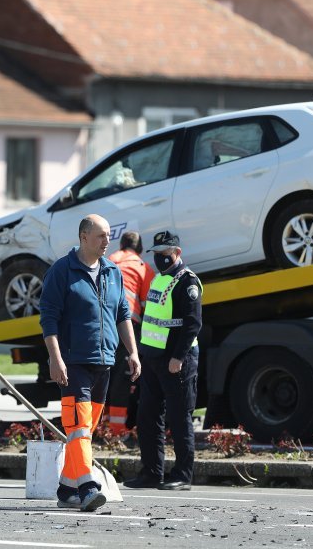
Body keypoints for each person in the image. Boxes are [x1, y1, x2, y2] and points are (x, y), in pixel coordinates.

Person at [40, 214, 141, 512]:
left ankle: (65, 488)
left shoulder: (113, 271)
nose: (107, 240)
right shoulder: (62, 271)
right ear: (84, 237)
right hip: (73, 364)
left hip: (104, 362)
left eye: (109, 235)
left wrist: (133, 352)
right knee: (79, 427)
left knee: (84, 430)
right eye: (100, 236)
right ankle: (87, 487)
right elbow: (48, 318)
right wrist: (55, 358)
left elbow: (123, 314)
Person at [123, 230, 203, 491]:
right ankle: (151, 473)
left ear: (177, 253)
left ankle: (182, 475)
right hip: (154, 359)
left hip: (176, 362)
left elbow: (192, 325)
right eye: (156, 254)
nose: (159, 259)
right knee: (147, 417)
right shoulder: (158, 279)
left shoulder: (187, 282)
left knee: (180, 419)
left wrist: (178, 357)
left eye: (164, 254)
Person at [106, 231, 155, 435]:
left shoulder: (109, 260)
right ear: (140, 249)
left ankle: (101, 425)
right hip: (126, 326)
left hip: (104, 323)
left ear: (121, 245)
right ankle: (117, 429)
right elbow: (147, 303)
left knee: (102, 374)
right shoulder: (143, 268)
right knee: (122, 377)